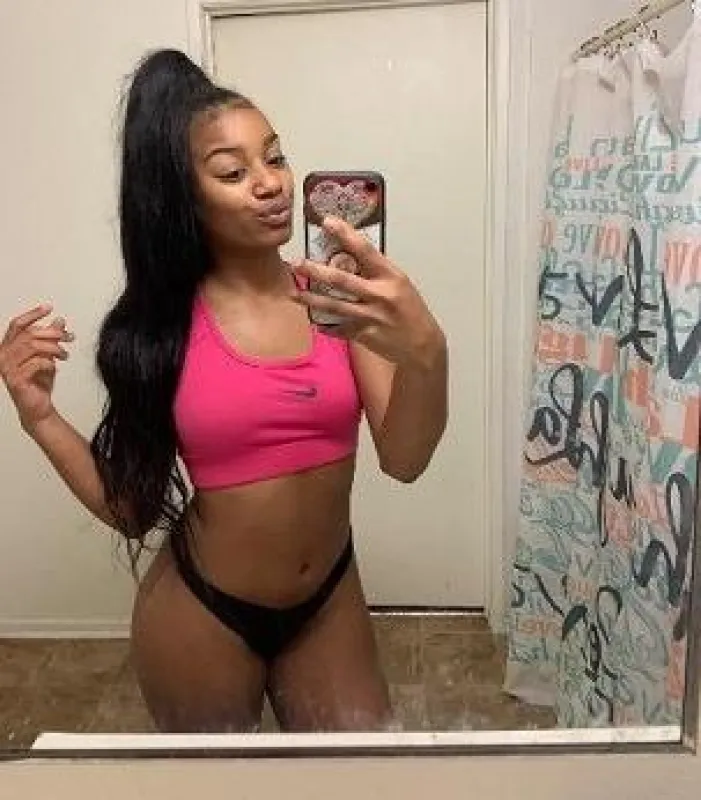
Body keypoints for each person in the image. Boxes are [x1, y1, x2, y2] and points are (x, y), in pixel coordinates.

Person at [0, 49, 448, 733]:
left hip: (329, 599)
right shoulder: (158, 331)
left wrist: (427, 353)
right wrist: (39, 416)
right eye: (233, 173)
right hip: (203, 613)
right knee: (215, 781)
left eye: (275, 158)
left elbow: (406, 459)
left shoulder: (337, 297)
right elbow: (131, 510)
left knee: (358, 773)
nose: (270, 184)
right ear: (184, 197)